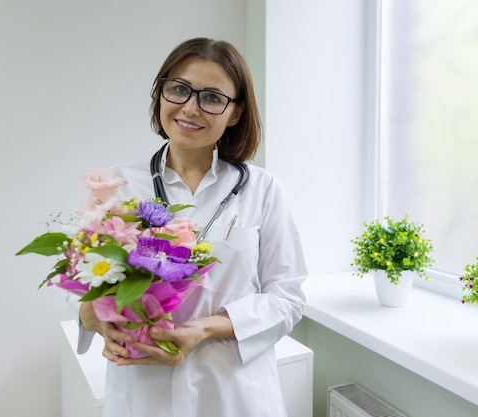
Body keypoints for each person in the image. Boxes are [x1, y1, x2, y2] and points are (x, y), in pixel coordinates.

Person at [69, 37, 308, 417]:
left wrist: (204, 329)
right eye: (179, 89)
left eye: (212, 97)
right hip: (143, 390)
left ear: (235, 113)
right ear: (160, 94)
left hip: (233, 392)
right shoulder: (117, 184)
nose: (190, 107)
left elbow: (288, 298)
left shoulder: (263, 189)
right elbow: (86, 278)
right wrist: (93, 317)